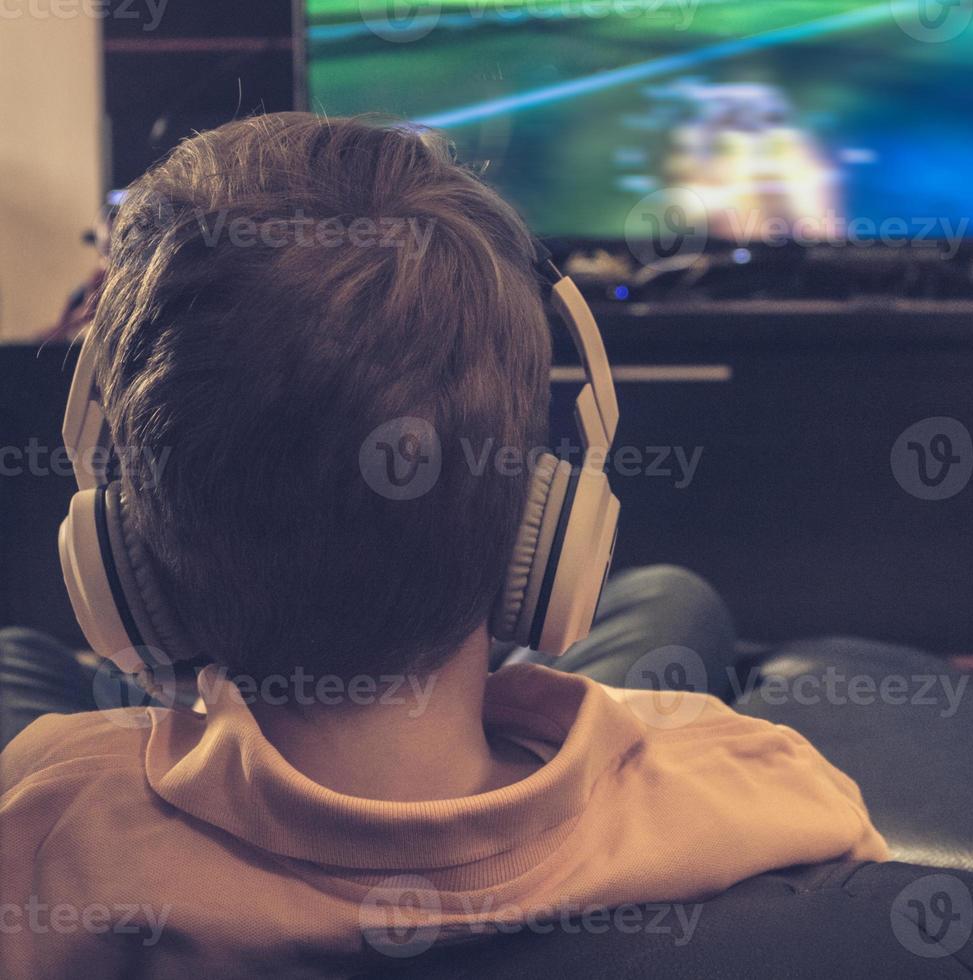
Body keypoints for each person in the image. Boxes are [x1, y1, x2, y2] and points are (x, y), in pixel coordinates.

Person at [0, 113, 887, 978]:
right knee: (669, 600)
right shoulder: (756, 784)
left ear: (124, 570)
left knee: (20, 657)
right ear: (547, 535)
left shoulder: (47, 816)